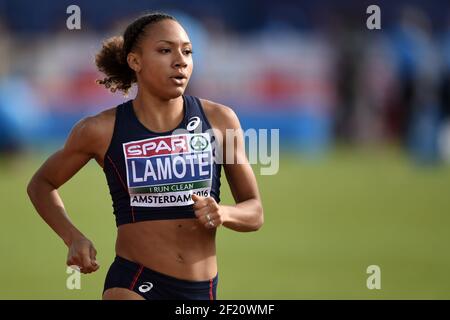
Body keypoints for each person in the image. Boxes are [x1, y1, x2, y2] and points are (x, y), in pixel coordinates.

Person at [27, 12, 263, 300]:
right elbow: (42, 184)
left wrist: (223, 212)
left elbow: (254, 211)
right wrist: (72, 236)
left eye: (187, 51)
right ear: (135, 61)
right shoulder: (100, 129)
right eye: (165, 50)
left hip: (202, 290)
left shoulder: (220, 120)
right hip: (134, 281)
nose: (180, 60)